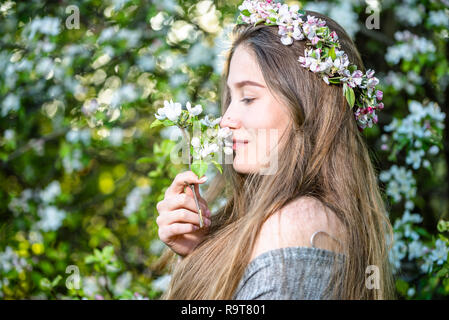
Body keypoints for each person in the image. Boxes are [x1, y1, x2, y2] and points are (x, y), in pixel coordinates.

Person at [152, 2, 395, 300]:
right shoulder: (294, 221)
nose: (226, 120)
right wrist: (198, 253)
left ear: (309, 108)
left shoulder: (294, 226)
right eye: (231, 98)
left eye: (249, 97)